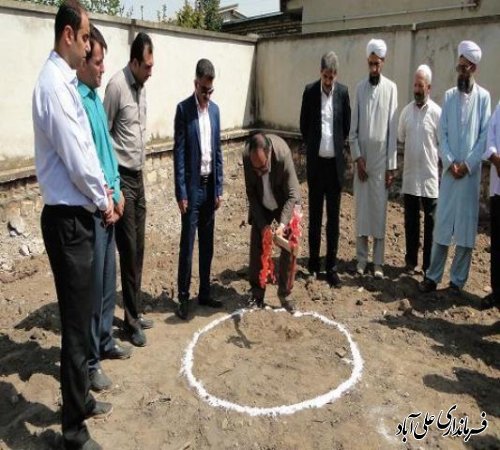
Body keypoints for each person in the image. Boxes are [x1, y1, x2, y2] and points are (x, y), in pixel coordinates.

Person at [32, 2, 112, 448]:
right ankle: (72, 430)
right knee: (76, 327)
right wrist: (103, 200)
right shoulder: (53, 86)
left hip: (77, 215)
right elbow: (78, 159)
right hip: (68, 220)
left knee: (81, 322)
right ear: (67, 35)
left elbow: (86, 146)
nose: (88, 46)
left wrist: (100, 195)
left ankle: (79, 404)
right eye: (84, 38)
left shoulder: (64, 81)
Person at [77, 24, 132, 393]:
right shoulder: (78, 101)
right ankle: (91, 362)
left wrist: (120, 190)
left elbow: (108, 151)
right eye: (97, 61)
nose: (102, 68)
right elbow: (89, 159)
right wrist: (107, 198)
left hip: (111, 200)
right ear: (83, 61)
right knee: (94, 288)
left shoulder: (96, 98)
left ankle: (105, 341)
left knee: (108, 280)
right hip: (96, 208)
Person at [419, 40, 491, 294]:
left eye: (465, 68)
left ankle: (457, 281)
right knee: (443, 224)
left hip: (469, 176)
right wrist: (450, 162)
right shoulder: (449, 96)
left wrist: (468, 165)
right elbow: (443, 133)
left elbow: (484, 136)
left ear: (473, 68)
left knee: (465, 229)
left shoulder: (484, 98)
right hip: (450, 174)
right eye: (458, 67)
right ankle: (432, 276)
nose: (460, 72)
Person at [104, 32, 154, 346]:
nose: (151, 70)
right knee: (129, 248)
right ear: (134, 61)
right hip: (122, 179)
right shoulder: (116, 87)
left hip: (140, 177)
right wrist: (113, 185)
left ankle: (134, 310)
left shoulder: (142, 88)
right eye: (147, 65)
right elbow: (103, 136)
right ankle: (130, 322)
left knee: (140, 249)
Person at [173, 59, 224, 320]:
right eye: (204, 89)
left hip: (209, 186)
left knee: (207, 243)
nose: (207, 95)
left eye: (210, 90)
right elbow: (179, 154)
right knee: (188, 244)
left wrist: (219, 187)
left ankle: (205, 291)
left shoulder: (214, 112)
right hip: (192, 190)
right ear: (196, 84)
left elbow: (217, 151)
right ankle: (183, 297)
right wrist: (180, 192)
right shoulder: (183, 111)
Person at [300, 51, 351, 287]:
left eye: (332, 77)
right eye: (325, 76)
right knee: (315, 217)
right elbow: (303, 125)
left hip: (334, 167)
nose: (328, 82)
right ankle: (313, 264)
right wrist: (314, 146)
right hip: (317, 165)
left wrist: (336, 148)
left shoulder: (343, 93)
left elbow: (346, 127)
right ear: (320, 73)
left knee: (333, 220)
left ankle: (331, 267)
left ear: (336, 75)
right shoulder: (310, 92)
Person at [349, 38, 398, 279]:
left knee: (379, 212)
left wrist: (391, 167)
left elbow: (391, 132)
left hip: (381, 164)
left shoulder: (391, 89)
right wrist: (357, 159)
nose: (373, 69)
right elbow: (353, 132)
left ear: (383, 62)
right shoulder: (359, 89)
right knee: (362, 212)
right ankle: (361, 259)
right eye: (370, 64)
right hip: (363, 163)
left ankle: (378, 263)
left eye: (377, 64)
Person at [243, 133, 301, 312]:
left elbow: (293, 195)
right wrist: (263, 225)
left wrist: (282, 225)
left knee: (289, 246)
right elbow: (251, 193)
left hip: (284, 202)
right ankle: (257, 293)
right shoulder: (247, 157)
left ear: (269, 154)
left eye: (262, 168)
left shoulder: (282, 155)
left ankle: (285, 294)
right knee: (257, 246)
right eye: (256, 169)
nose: (259, 172)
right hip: (261, 202)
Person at [398, 64, 441, 276]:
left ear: (429, 87)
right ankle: (410, 261)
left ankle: (428, 266)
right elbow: (401, 138)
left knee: (430, 225)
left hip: (430, 178)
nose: (416, 89)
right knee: (411, 222)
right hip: (410, 178)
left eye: (420, 85)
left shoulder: (437, 114)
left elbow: (441, 145)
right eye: (414, 84)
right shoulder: (406, 112)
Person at [482, 102, 500, 309]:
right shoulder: (499, 108)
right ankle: (497, 293)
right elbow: (491, 138)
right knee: (497, 246)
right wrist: (495, 159)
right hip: (497, 189)